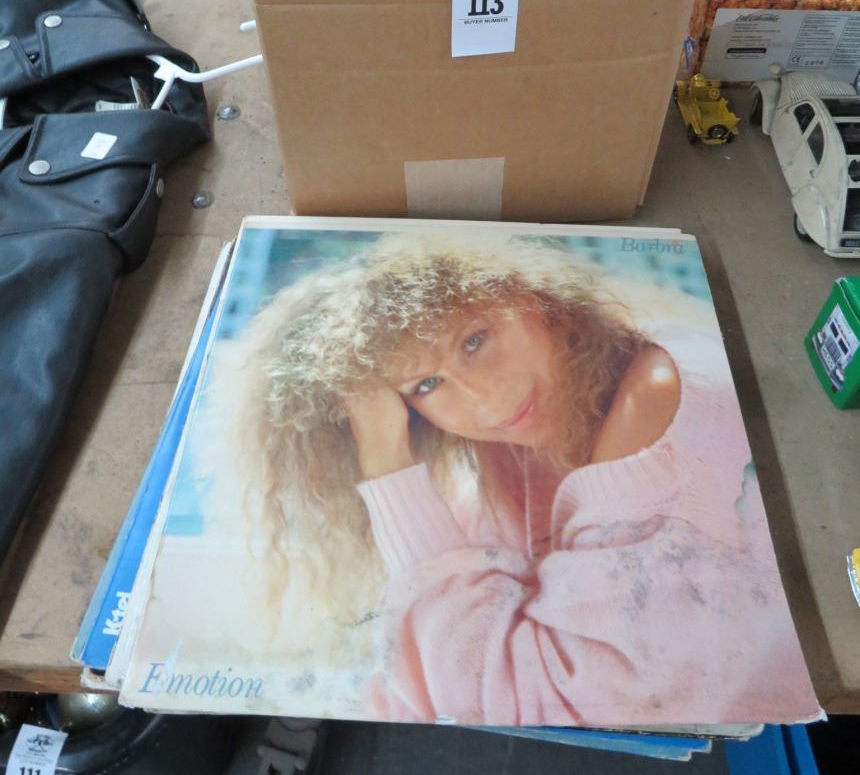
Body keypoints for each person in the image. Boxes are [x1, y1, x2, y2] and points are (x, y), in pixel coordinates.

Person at [223, 230, 818, 727]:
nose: (485, 400)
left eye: (474, 341)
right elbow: (431, 668)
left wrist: (388, 468)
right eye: (426, 385)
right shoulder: (526, 433)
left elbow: (508, 694)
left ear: (526, 294)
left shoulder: (652, 400)